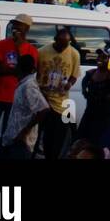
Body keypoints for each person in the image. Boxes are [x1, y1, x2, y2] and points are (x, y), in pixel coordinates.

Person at [0, 13, 38, 157]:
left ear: (27, 28)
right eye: (14, 24)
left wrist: (17, 49)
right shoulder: (2, 44)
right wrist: (16, 70)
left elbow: (27, 74)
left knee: (6, 138)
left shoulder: (31, 50)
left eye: (19, 25)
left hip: (16, 101)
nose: (15, 27)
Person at [37, 27, 80, 159]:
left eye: (66, 45)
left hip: (61, 104)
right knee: (38, 136)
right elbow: (35, 74)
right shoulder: (42, 52)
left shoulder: (74, 54)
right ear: (55, 40)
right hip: (42, 100)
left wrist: (69, 84)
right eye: (61, 44)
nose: (63, 48)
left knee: (57, 139)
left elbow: (74, 75)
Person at [78, 43, 110, 151]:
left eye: (103, 57)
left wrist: (108, 97)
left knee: (97, 144)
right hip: (89, 112)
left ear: (109, 59)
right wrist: (84, 90)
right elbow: (85, 82)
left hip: (102, 115)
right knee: (82, 140)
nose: (99, 59)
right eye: (99, 56)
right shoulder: (92, 73)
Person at [1, 54, 48, 159]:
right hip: (14, 138)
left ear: (19, 67)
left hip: (21, 142)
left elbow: (43, 109)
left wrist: (25, 131)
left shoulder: (28, 86)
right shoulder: (24, 83)